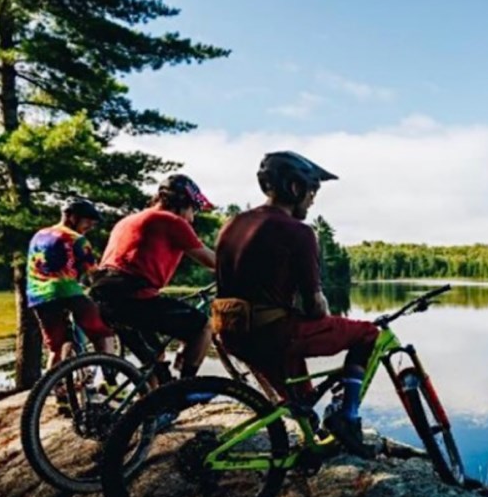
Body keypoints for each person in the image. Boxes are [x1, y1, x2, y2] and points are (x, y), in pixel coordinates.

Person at [213, 151, 378, 453]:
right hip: (273, 334)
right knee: (368, 333)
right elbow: (315, 307)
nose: (313, 199)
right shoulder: (298, 232)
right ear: (294, 188)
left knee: (304, 404)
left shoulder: (232, 224)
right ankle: (347, 416)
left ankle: (308, 444)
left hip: (232, 333)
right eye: (312, 190)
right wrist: (326, 314)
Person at [90, 174, 216, 380]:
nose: (192, 218)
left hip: (103, 296)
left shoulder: (128, 220)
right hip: (133, 295)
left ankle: (152, 405)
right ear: (182, 203)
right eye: (193, 209)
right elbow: (211, 261)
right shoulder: (172, 221)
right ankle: (186, 387)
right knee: (203, 326)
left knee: (155, 358)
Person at [26, 198, 116, 371]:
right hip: (65, 291)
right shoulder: (77, 239)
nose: (91, 225)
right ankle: (109, 373)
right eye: (88, 220)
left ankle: (54, 387)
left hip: (38, 296)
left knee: (56, 346)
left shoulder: (39, 235)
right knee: (101, 332)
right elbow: (93, 273)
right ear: (71, 217)